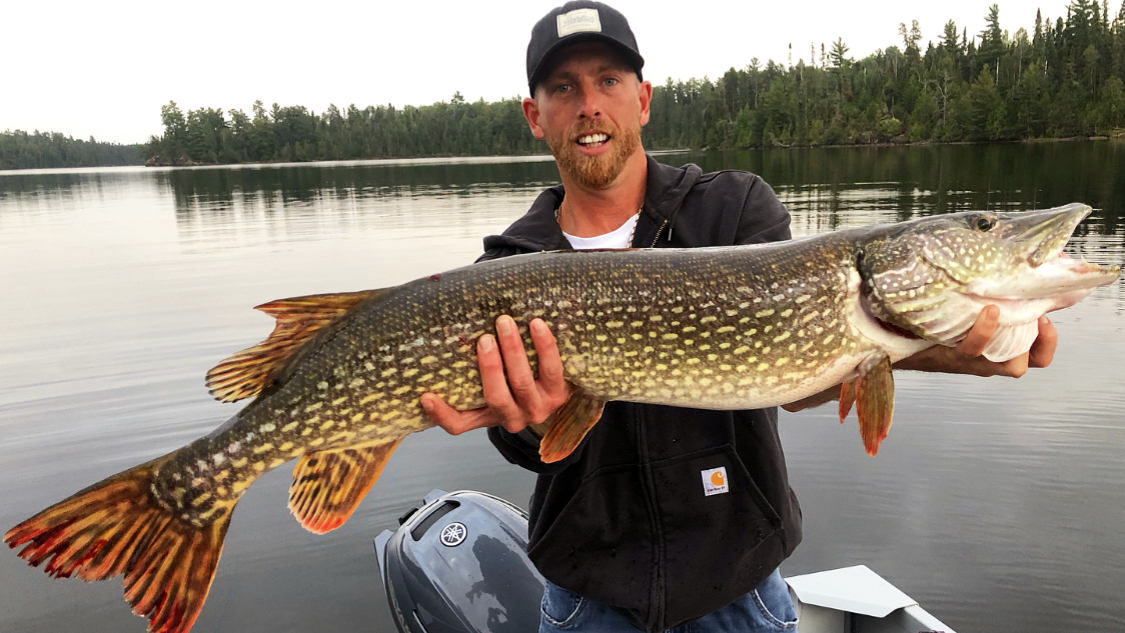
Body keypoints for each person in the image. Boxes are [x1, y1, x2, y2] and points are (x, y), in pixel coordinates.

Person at [420, 2, 1058, 632]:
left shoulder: (733, 209)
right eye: (565, 87)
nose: (590, 104)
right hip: (589, 599)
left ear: (642, 99)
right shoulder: (508, 264)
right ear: (536, 115)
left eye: (608, 81)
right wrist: (529, 420)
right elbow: (520, 445)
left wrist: (941, 344)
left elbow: (803, 381)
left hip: (738, 589)